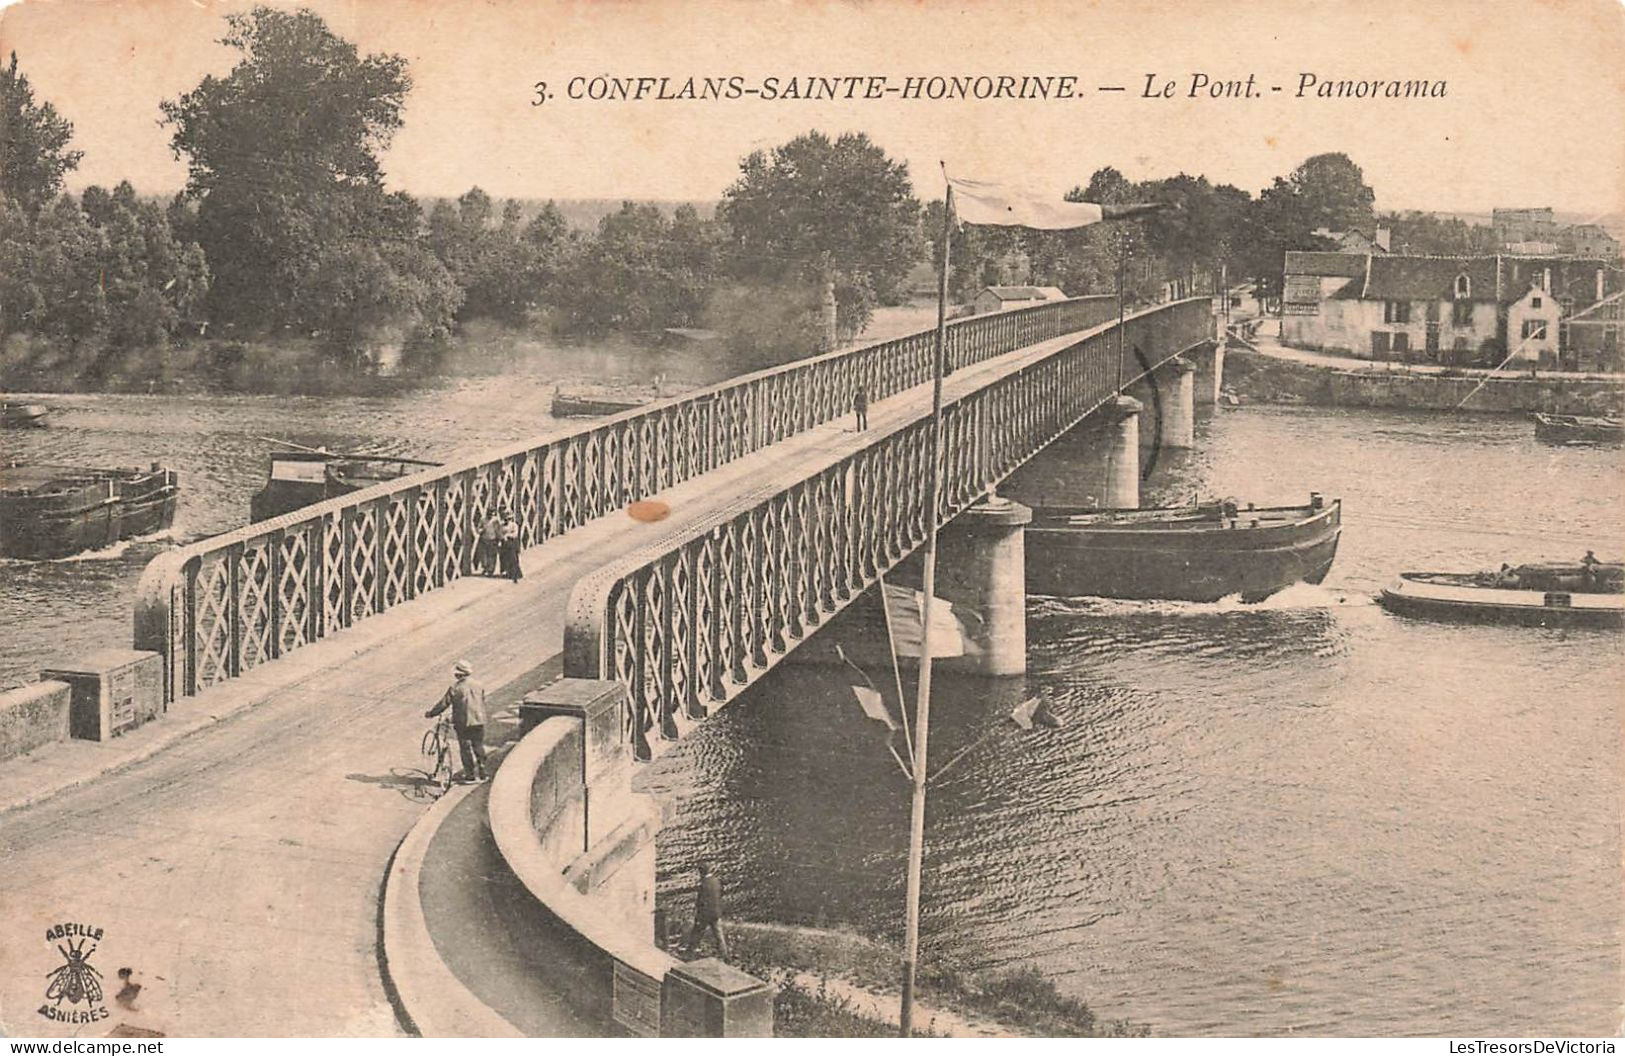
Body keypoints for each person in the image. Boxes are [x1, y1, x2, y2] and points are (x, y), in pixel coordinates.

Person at [425, 660, 488, 782]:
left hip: (462, 722)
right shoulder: (479, 685)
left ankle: (470, 775)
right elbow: (482, 700)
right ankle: (483, 772)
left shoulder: (455, 688)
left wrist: (431, 713)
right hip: (479, 720)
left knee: (465, 748)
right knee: (478, 745)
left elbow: (443, 704)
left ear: (459, 674)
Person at [682, 862, 728, 959]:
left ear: (701, 872)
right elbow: (719, 896)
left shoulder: (704, 884)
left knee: (697, 933)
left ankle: (689, 953)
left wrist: (698, 914)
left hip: (705, 914)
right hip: (715, 913)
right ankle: (725, 955)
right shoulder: (716, 881)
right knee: (719, 935)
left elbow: (701, 901)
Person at [500, 512, 522, 583]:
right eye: (506, 519)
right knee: (505, 558)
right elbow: (500, 533)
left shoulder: (514, 525)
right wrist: (503, 537)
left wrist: (508, 535)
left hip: (512, 543)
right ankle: (507, 572)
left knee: (513, 559)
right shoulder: (502, 525)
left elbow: (515, 534)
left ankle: (515, 574)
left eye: (508, 519)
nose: (507, 520)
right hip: (505, 544)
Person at [477, 512, 502, 576]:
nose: (490, 516)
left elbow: (498, 530)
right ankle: (485, 567)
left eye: (491, 515)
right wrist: (481, 530)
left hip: (493, 539)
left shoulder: (495, 520)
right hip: (484, 539)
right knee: (484, 555)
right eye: (489, 514)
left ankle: (491, 570)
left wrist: (499, 539)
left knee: (492, 555)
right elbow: (478, 528)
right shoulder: (483, 519)